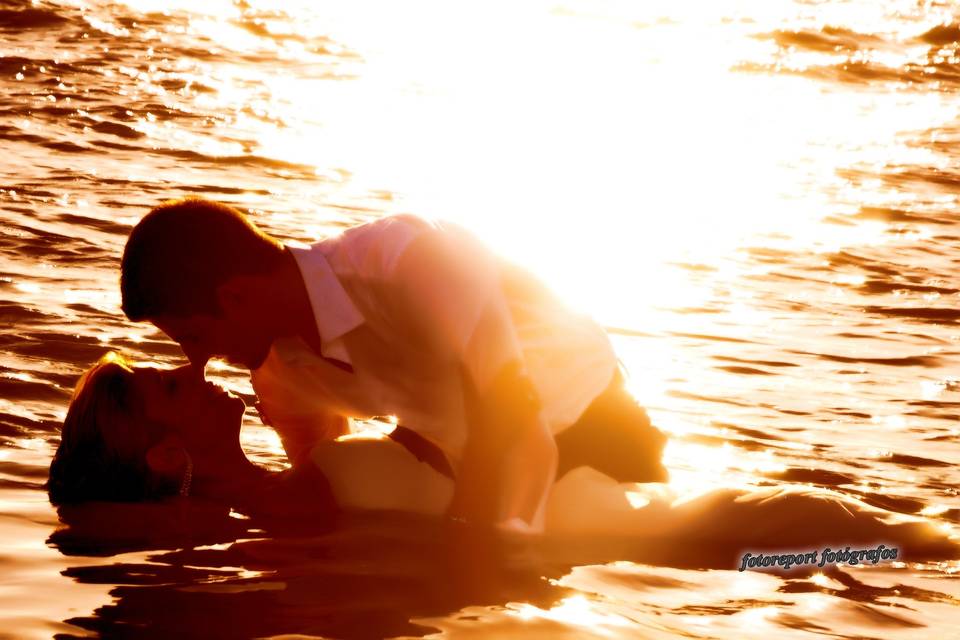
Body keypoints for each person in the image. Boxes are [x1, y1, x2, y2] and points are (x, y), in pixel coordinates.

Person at [119, 198, 668, 531]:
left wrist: (473, 554)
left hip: (593, 422)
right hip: (456, 454)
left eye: (193, 335)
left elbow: (513, 418)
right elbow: (327, 493)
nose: (197, 360)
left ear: (234, 296)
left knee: (725, 553)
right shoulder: (281, 380)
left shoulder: (408, 261)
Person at [47, 353, 336, 518]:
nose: (195, 367)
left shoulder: (276, 490)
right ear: (167, 455)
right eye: (171, 387)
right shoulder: (288, 499)